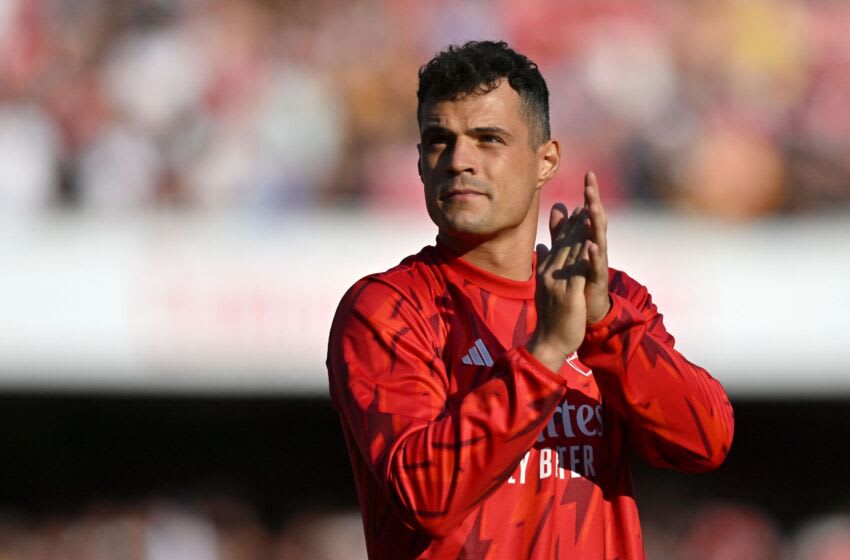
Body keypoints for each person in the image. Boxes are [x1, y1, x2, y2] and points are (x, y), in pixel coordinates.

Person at [326, 40, 734, 559]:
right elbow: (425, 496)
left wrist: (605, 323)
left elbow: (705, 441)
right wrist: (545, 353)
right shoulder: (387, 309)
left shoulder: (607, 296)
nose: (458, 161)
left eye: (488, 138)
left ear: (546, 161)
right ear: (420, 165)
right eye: (438, 141)